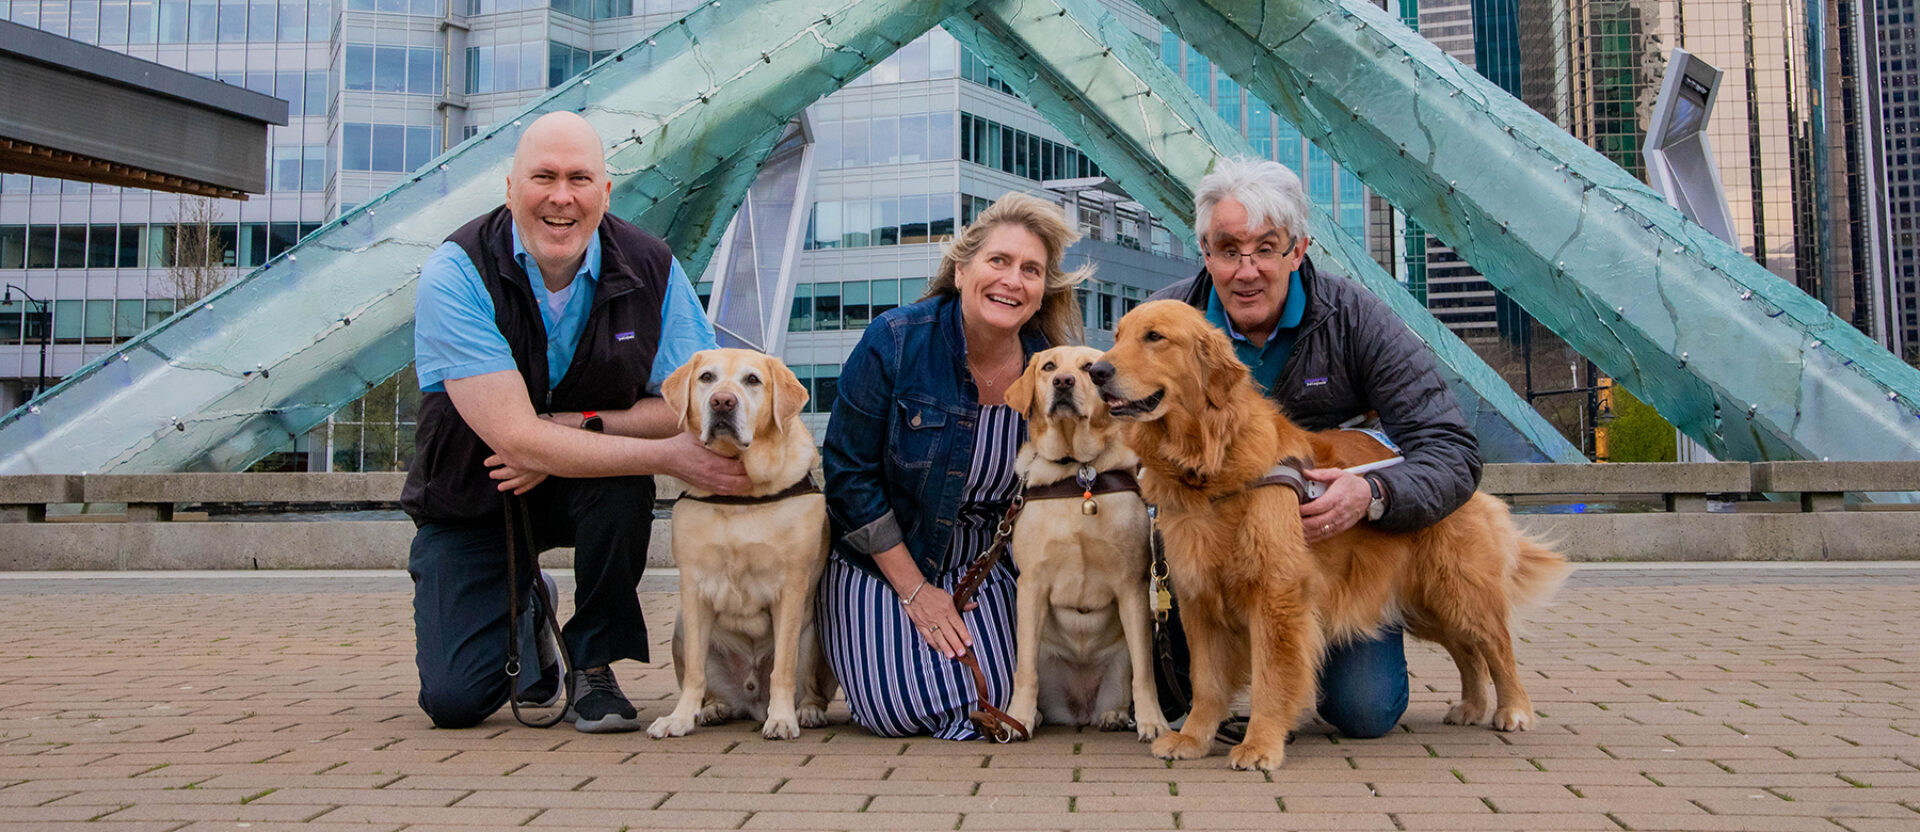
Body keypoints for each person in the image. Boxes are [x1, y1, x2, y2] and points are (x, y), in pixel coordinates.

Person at [401, 111, 750, 732]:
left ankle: (593, 662)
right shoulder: (455, 273)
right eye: (543, 177)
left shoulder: (654, 266)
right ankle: (532, 614)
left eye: (580, 179)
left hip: (584, 492)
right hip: (477, 496)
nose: (562, 197)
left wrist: (573, 429)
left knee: (620, 482)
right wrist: (654, 450)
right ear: (510, 188)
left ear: (605, 193)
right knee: (455, 703)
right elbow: (514, 438)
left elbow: (687, 406)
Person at [1150, 156, 1481, 738]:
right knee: (1163, 696)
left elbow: (1451, 449)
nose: (1246, 271)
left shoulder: (1356, 319)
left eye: (1266, 249)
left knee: (1363, 710)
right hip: (1200, 548)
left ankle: (1298, 677)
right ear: (1205, 252)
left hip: (1331, 556)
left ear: (1298, 252)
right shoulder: (1163, 322)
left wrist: (1373, 492)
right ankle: (1222, 689)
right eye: (1228, 250)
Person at [818, 192, 1088, 739]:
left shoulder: (1051, 365)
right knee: (900, 708)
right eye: (998, 262)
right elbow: (848, 476)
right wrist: (916, 593)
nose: (1013, 280)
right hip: (887, 561)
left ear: (1042, 291)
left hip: (989, 566)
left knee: (1006, 694)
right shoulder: (895, 341)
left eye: (1031, 270)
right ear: (961, 270)